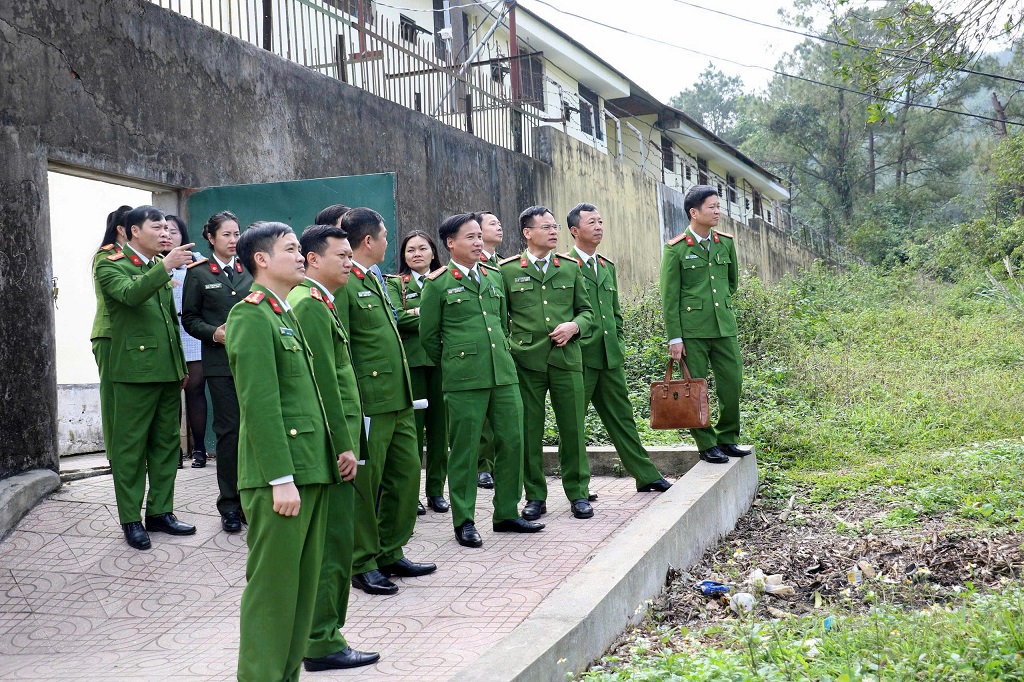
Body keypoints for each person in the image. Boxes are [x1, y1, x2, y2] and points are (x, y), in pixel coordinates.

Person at [226, 222, 345, 682]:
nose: (301, 257)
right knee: (273, 592)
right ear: (261, 259)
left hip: (310, 470)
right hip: (281, 477)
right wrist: (280, 478)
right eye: (291, 249)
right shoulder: (251, 316)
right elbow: (260, 406)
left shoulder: (284, 313)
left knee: (300, 591)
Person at [420, 213, 542, 548]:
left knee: (512, 442)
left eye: (479, 236)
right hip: (464, 380)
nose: (478, 242)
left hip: (502, 373)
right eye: (470, 237)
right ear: (450, 243)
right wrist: (457, 363)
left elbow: (501, 325)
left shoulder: (493, 275)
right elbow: (429, 337)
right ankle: (464, 520)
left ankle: (505, 513)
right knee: (465, 450)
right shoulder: (438, 284)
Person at [288, 225, 379, 672]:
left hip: (338, 441)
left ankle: (326, 634)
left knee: (338, 542)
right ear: (312, 259)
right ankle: (321, 641)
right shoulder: (308, 305)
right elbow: (322, 382)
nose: (349, 262)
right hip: (329, 446)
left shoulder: (320, 301)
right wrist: (344, 446)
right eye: (340, 255)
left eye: (350, 255)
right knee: (330, 546)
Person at [335, 207, 436, 596]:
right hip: (371, 401)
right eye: (384, 235)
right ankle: (362, 560)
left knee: (405, 476)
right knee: (367, 482)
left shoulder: (375, 279)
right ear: (367, 241)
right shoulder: (345, 284)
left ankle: (391, 549)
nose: (388, 242)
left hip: (399, 397)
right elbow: (340, 347)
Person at [94, 205, 197, 549]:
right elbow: (129, 295)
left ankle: (160, 512)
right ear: (134, 231)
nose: (166, 233)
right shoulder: (110, 262)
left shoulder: (156, 265)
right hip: (135, 370)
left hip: (167, 369)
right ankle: (131, 519)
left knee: (167, 444)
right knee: (130, 448)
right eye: (158, 227)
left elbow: (171, 320)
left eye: (168, 228)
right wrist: (166, 266)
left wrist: (180, 363)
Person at [566, 203, 672, 493]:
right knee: (573, 423)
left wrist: (619, 345)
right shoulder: (563, 266)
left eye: (601, 221)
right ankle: (578, 488)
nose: (599, 226)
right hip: (580, 359)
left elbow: (615, 314)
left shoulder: (606, 266)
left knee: (623, 419)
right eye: (591, 222)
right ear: (575, 230)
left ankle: (646, 475)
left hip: (609, 357)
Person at [499, 206, 594, 521]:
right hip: (527, 362)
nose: (554, 231)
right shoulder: (507, 270)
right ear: (528, 233)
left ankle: (578, 494)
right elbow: (500, 320)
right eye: (546, 227)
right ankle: (535, 496)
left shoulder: (570, 267)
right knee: (529, 430)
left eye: (556, 227)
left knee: (573, 429)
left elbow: (588, 312)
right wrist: (512, 348)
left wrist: (574, 326)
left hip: (567, 360)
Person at [660, 185, 752, 464]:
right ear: (694, 212)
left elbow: (731, 284)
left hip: (724, 328)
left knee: (731, 383)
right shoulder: (675, 249)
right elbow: (669, 297)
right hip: (692, 332)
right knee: (695, 389)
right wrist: (675, 338)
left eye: (718, 206)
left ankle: (727, 438)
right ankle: (706, 442)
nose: (717, 211)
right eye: (711, 207)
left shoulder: (725, 243)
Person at [182, 211, 254, 533]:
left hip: (253, 362)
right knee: (229, 432)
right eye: (226, 234)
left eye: (236, 234)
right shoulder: (198, 274)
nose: (233, 240)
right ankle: (229, 504)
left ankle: (251, 501)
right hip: (220, 364)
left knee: (254, 431)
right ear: (211, 238)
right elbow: (189, 319)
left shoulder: (248, 268)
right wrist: (215, 333)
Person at [386, 231, 449, 514]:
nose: (417, 254)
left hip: (442, 362)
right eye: (410, 250)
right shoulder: (395, 284)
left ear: (434, 253)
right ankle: (413, 493)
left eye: (422, 249)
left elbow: (452, 316)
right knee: (413, 433)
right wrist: (429, 314)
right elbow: (397, 318)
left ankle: (436, 491)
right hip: (412, 365)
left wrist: (417, 313)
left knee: (440, 431)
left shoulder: (447, 280)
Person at [164, 215, 204, 470]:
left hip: (192, 332)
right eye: (163, 230)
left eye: (174, 231)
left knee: (196, 391)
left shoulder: (198, 262)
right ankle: (173, 451)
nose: (168, 235)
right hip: (167, 334)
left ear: (183, 236)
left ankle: (199, 449)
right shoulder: (154, 264)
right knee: (169, 395)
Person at [91, 205, 131, 458]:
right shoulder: (107, 256)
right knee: (113, 399)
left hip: (130, 336)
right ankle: (115, 456)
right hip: (110, 334)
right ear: (122, 229)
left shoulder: (136, 256)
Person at [473, 210, 504, 490]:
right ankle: (483, 466)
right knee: (482, 418)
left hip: (502, 349)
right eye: (492, 223)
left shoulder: (502, 265)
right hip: (477, 353)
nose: (499, 227)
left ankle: (497, 464)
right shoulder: (472, 266)